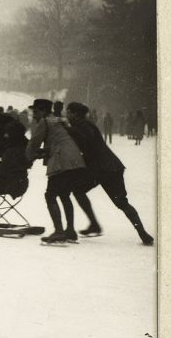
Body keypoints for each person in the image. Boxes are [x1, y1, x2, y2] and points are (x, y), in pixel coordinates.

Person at [65, 102, 154, 245]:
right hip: (110, 168)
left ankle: (96, 224)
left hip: (102, 169)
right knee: (121, 202)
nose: (66, 115)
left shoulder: (84, 126)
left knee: (79, 191)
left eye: (68, 112)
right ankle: (142, 233)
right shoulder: (86, 125)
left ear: (74, 114)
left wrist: (67, 129)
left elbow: (85, 139)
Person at [25, 99, 90, 244]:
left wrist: (28, 158)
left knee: (50, 195)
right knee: (64, 195)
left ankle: (59, 231)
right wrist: (44, 152)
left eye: (35, 111)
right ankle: (70, 230)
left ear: (42, 111)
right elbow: (60, 140)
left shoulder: (45, 122)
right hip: (75, 160)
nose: (33, 115)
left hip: (61, 161)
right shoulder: (60, 120)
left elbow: (33, 143)